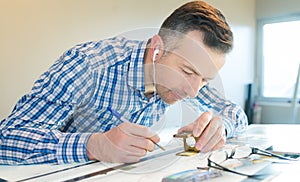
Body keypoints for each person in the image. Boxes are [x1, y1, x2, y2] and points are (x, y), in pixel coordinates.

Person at [0, 1, 248, 165]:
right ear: (157, 50)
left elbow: (234, 113)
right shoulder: (88, 65)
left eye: (205, 80)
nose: (193, 91)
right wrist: (93, 145)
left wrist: (221, 128)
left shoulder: (191, 80)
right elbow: (7, 139)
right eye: (186, 72)